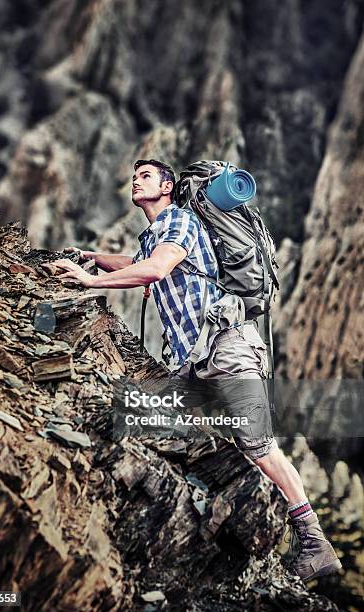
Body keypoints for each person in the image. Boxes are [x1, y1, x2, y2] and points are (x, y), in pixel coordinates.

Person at [53, 159, 341, 581]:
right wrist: (93, 257)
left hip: (228, 348)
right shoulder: (157, 234)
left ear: (167, 186)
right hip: (194, 361)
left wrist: (88, 281)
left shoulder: (181, 222)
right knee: (163, 431)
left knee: (259, 447)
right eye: (134, 177)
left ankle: (315, 543)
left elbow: (155, 269)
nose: (136, 181)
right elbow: (136, 261)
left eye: (146, 176)